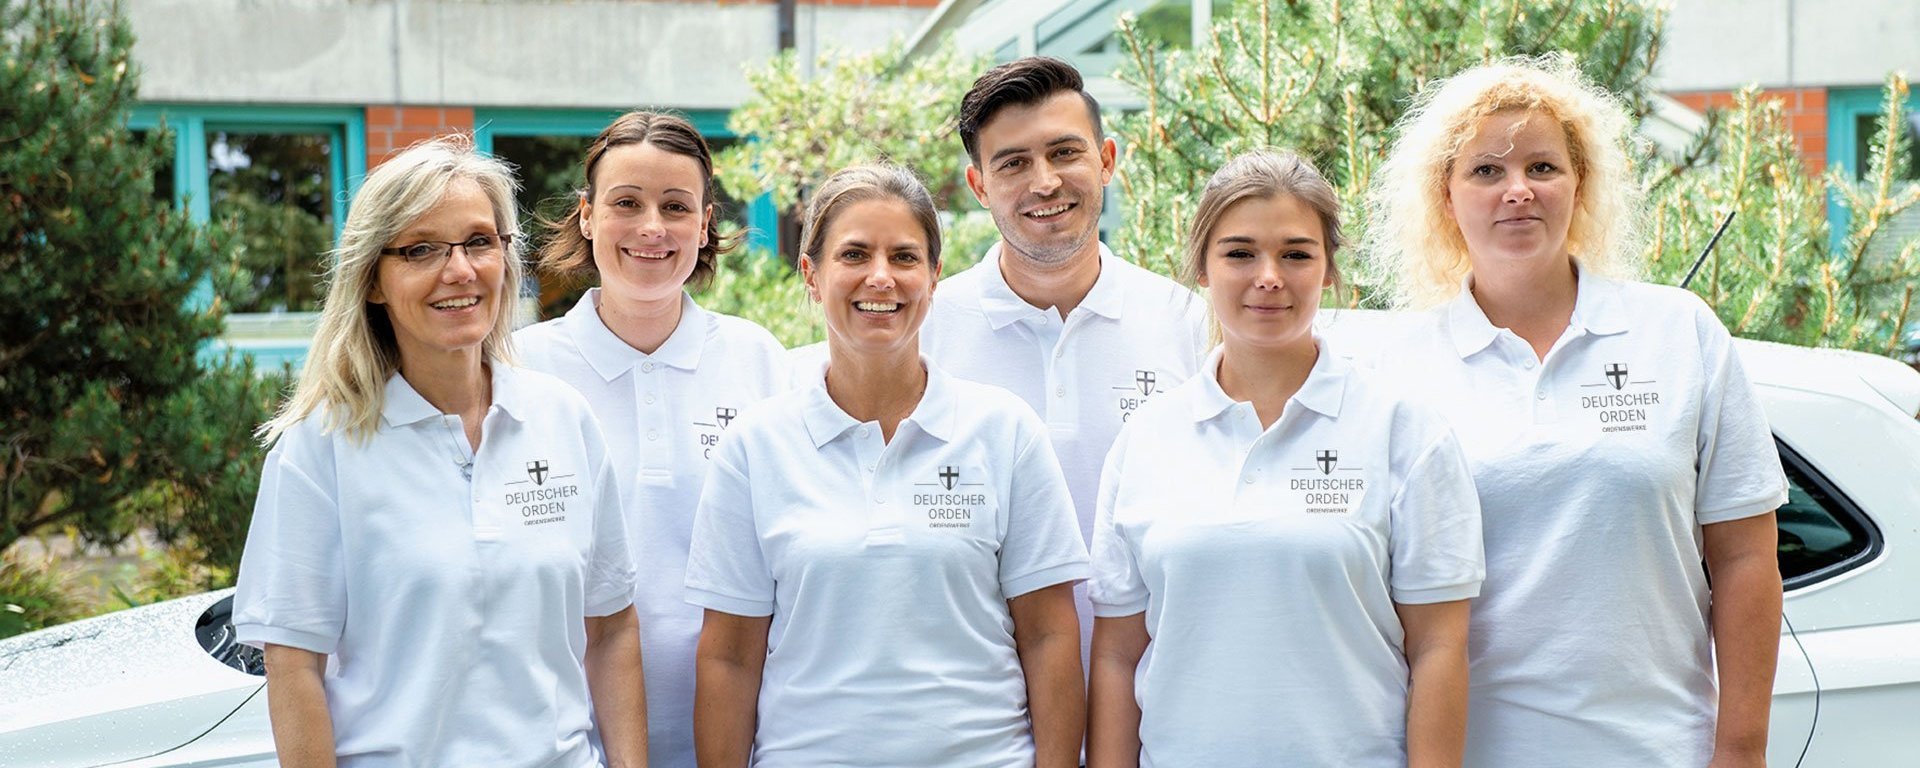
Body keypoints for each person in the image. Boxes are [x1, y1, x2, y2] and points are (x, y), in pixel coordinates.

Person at [1364, 55, 1788, 766]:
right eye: (1486, 172)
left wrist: (1741, 752)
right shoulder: (1396, 368)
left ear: (1580, 183)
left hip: (1658, 751)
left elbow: (1747, 558)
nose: (1517, 191)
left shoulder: (1678, 332)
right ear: (1445, 195)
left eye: (1542, 167)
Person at [232, 136, 647, 767]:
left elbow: (612, 627)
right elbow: (293, 667)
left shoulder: (563, 420)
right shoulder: (321, 448)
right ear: (372, 280)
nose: (460, 271)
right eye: (421, 249)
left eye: (480, 242)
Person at [1084, 150, 1483, 767]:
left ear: (1327, 271)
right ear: (1201, 268)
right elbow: (1116, 657)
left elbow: (1439, 648)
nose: (1269, 275)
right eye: (1240, 253)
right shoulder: (1146, 439)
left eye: (1296, 254)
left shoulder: (1403, 429)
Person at [687, 164, 1088, 767]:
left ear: (934, 277)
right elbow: (729, 658)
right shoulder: (754, 447)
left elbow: (1050, 635)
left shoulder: (1004, 432)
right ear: (811, 275)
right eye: (854, 254)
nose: (881, 276)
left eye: (904, 257)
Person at [516, 111, 788, 768]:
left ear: (704, 222)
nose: (651, 228)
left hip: (748, 738)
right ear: (586, 216)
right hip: (567, 743)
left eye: (675, 206)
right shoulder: (520, 370)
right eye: (626, 203)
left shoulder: (758, 361)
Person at [926, 55, 1209, 664]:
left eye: (1064, 153)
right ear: (979, 187)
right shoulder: (924, 334)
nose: (1045, 182)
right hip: (977, 706)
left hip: (1151, 695)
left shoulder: (1187, 324)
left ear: (1106, 160)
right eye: (1013, 164)